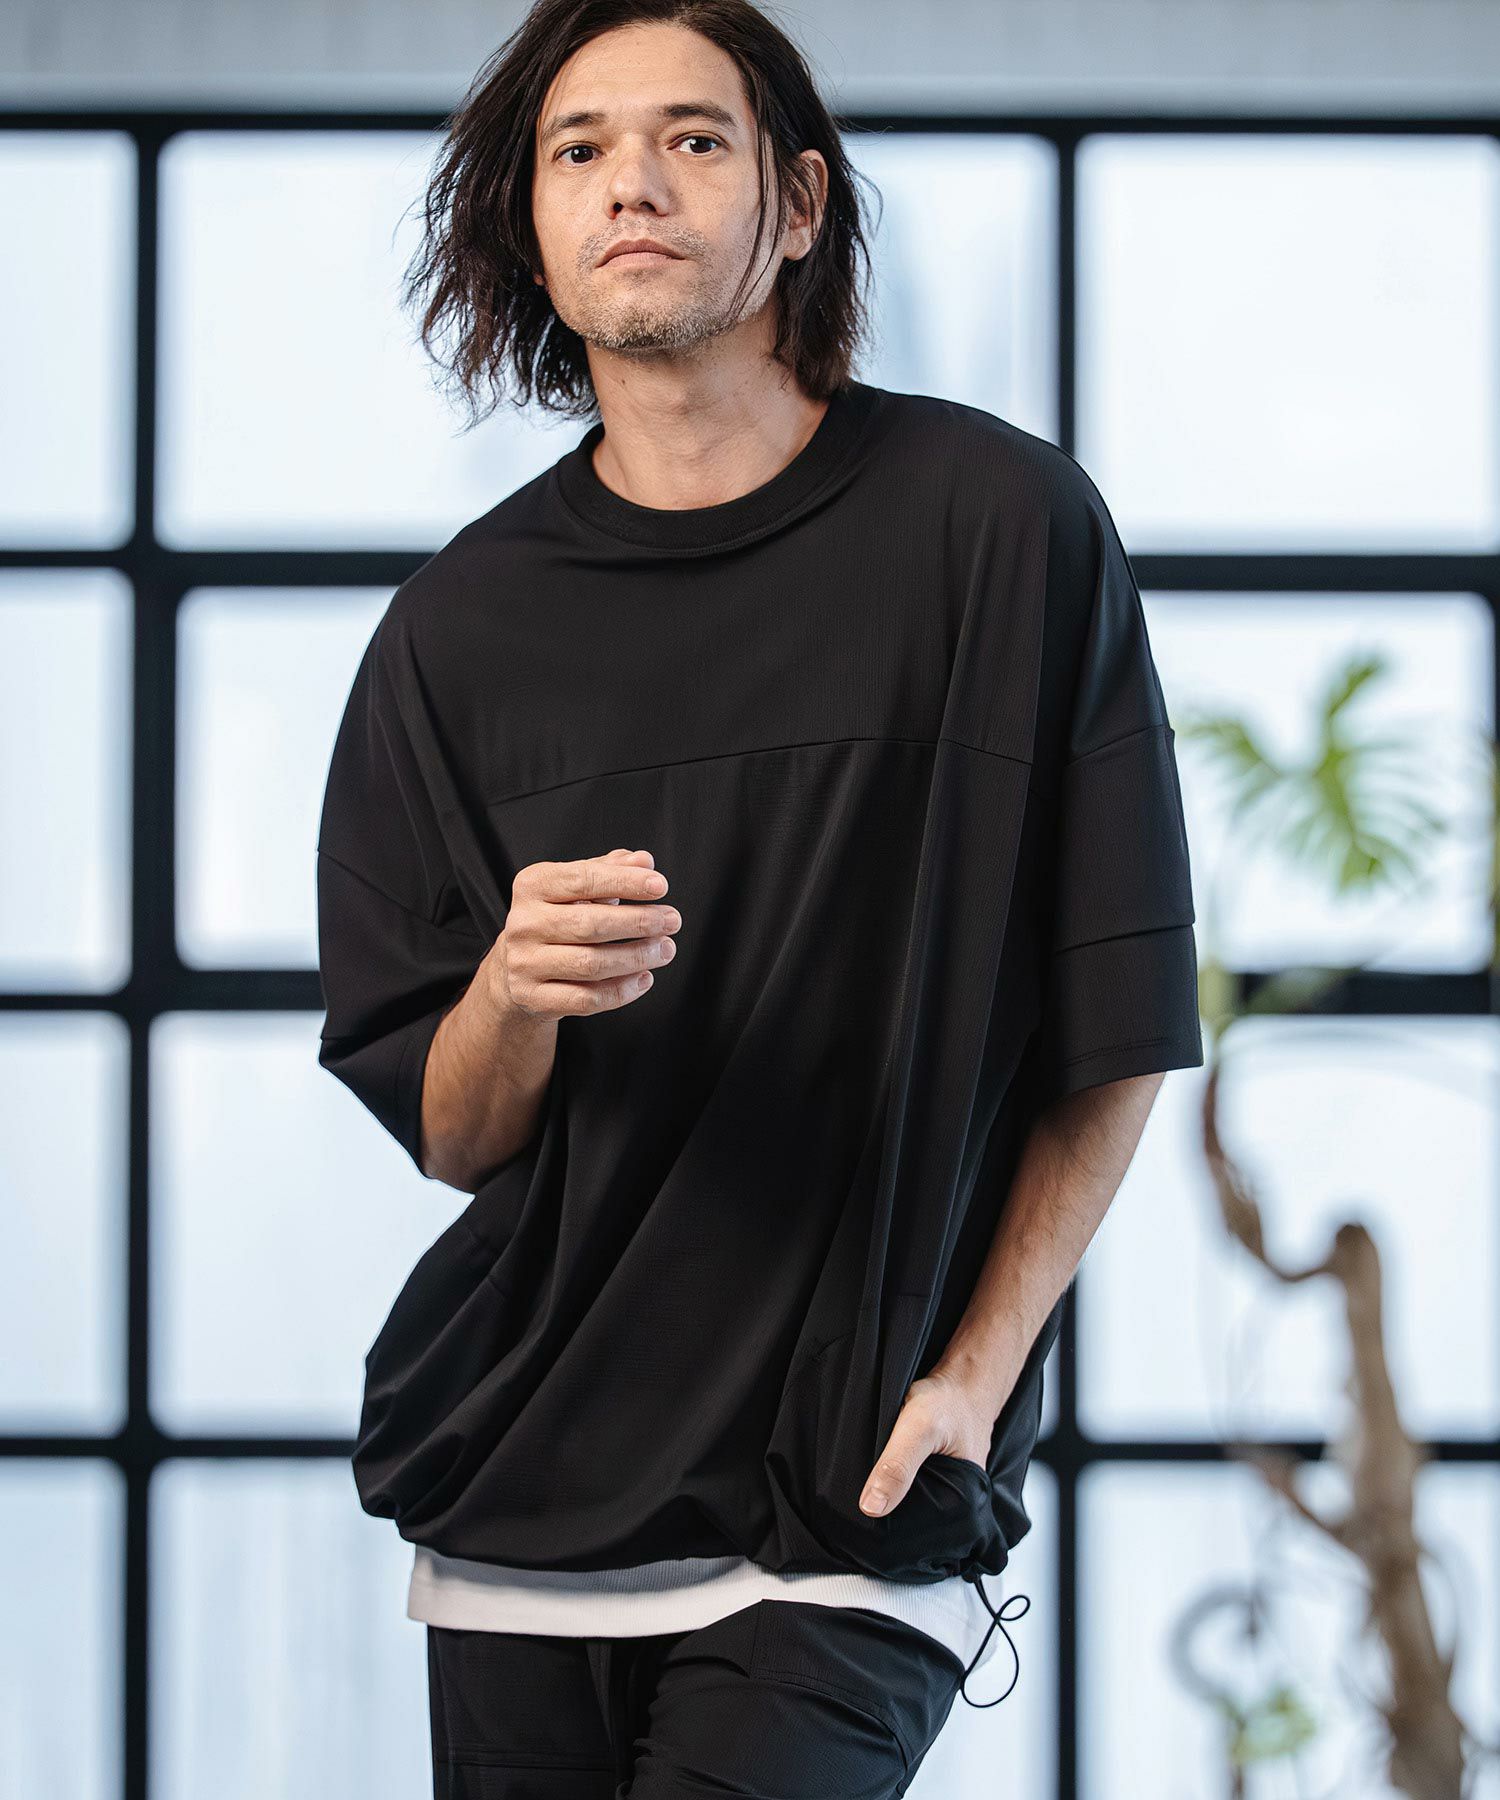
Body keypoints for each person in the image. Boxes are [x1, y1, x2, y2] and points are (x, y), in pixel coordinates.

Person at [314, 1, 1204, 1793]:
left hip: (852, 1494)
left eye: (693, 139)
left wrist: (975, 1381)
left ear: (797, 205)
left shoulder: (1000, 530)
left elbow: (1118, 1015)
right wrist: (513, 993)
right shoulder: (455, 633)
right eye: (579, 150)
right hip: (527, 1486)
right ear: (531, 228)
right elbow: (455, 1134)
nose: (631, 183)